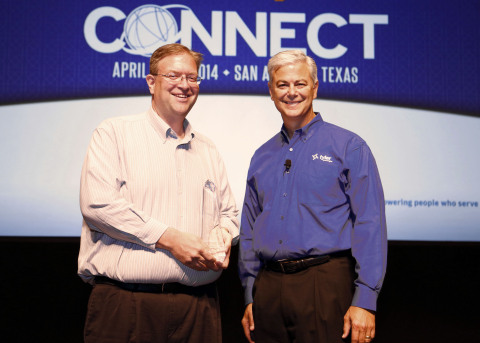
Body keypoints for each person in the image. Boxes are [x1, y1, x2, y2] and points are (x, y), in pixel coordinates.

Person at [78, 43, 239, 343]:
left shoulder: (208, 148)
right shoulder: (114, 133)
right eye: (174, 76)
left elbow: (229, 214)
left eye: (192, 78)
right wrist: (170, 239)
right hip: (127, 307)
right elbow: (98, 205)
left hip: (198, 309)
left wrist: (224, 234)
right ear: (151, 82)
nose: (184, 85)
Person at [238, 50, 387, 343]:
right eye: (282, 85)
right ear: (270, 91)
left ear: (315, 88)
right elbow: (249, 229)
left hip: (324, 284)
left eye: (300, 84)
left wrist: (365, 299)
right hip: (268, 290)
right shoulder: (261, 156)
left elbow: (370, 224)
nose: (291, 92)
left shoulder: (349, 147)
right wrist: (249, 293)